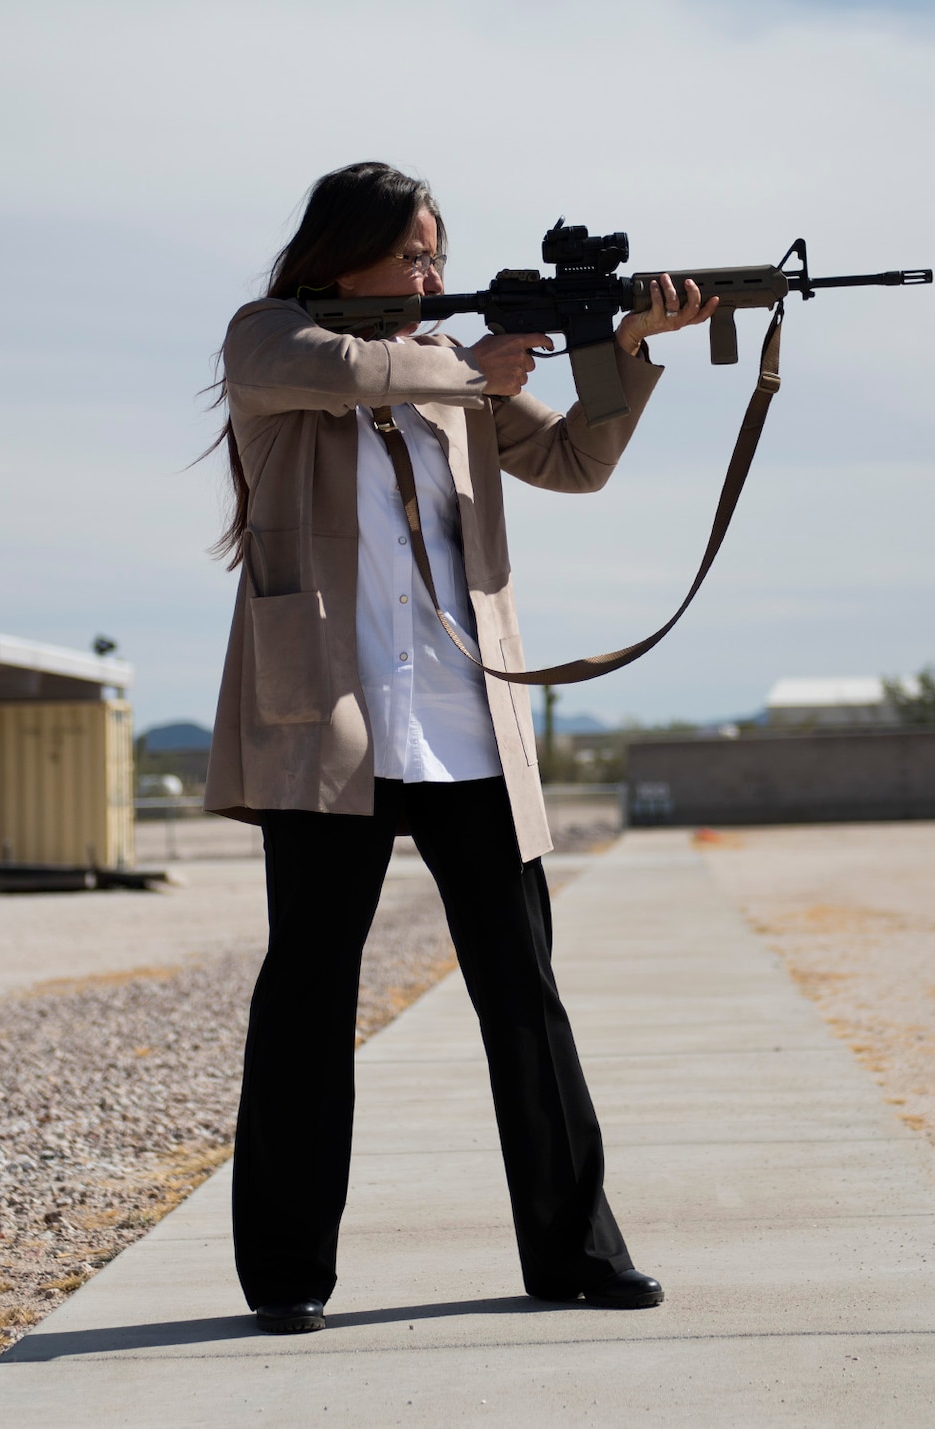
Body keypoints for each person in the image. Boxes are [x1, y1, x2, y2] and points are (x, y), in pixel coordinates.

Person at [201, 161, 716, 1335]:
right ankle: (285, 1272)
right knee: (307, 999)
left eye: (439, 253)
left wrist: (623, 346)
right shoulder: (272, 337)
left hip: (467, 726)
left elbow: (578, 462)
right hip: (327, 728)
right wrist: (472, 362)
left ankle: (574, 1251)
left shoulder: (457, 383)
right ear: (345, 259)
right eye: (416, 254)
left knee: (523, 997)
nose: (436, 274)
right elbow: (330, 369)